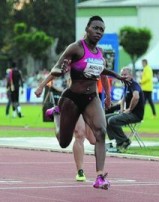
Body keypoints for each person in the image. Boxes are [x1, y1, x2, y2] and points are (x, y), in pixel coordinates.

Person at [35, 15, 129, 189]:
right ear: (87, 28)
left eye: (102, 29)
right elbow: (56, 67)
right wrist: (42, 85)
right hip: (72, 98)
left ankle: (100, 177)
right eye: (95, 28)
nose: (99, 32)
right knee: (64, 142)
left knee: (101, 131)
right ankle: (56, 114)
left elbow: (102, 72)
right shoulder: (76, 48)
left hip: (91, 98)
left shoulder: (99, 53)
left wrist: (112, 86)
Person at [106, 67, 145, 151]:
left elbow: (136, 97)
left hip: (136, 115)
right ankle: (117, 141)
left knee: (112, 120)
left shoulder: (134, 84)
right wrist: (121, 109)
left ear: (131, 75)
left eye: (125, 75)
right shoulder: (126, 85)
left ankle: (124, 141)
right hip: (128, 113)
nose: (123, 76)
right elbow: (123, 99)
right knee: (105, 118)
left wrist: (129, 109)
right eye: (122, 75)